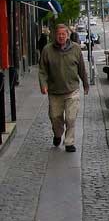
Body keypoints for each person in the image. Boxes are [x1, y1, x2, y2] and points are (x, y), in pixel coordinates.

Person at [38, 24, 90, 153]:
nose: (61, 36)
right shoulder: (47, 50)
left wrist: (85, 84)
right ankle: (57, 134)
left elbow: (82, 68)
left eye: (63, 34)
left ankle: (69, 142)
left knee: (71, 118)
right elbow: (42, 70)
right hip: (55, 91)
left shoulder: (76, 49)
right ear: (55, 35)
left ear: (67, 35)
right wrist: (43, 85)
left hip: (72, 90)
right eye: (59, 34)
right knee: (55, 117)